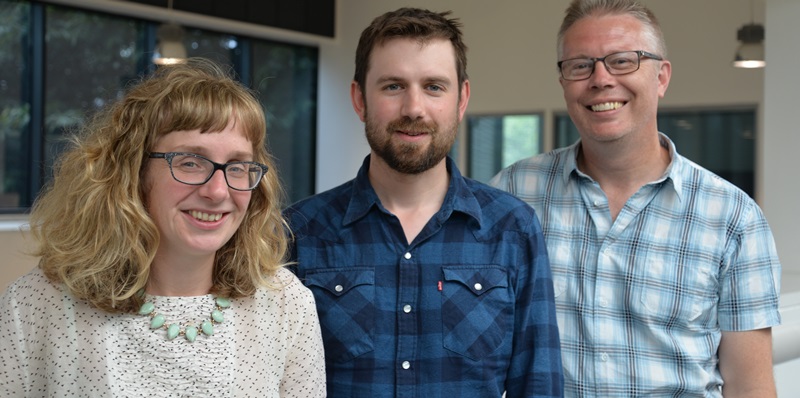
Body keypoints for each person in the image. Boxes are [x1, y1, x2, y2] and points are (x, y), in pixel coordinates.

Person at [490, 0, 782, 396]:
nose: (600, 79)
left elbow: (751, 389)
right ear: (563, 82)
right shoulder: (512, 194)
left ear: (661, 77)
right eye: (580, 65)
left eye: (623, 61)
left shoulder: (733, 217)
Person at [0, 58, 325, 397]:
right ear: (133, 172)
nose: (217, 191)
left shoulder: (286, 304)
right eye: (189, 162)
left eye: (238, 167)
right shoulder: (37, 304)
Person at [284, 7, 562, 397]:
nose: (414, 108)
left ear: (461, 98)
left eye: (434, 86)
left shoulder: (512, 229)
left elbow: (538, 385)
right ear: (359, 98)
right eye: (393, 86)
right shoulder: (300, 231)